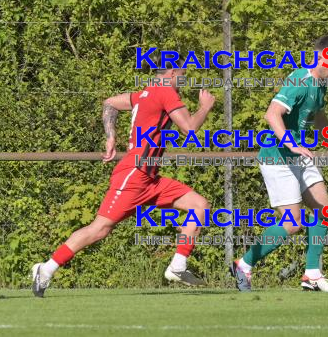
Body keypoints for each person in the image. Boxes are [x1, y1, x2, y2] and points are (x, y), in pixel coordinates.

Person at [32, 61, 215, 297]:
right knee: (99, 229)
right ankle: (46, 269)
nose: (184, 80)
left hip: (150, 178)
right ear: (171, 73)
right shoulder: (165, 90)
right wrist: (205, 107)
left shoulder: (146, 92)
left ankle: (178, 266)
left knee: (200, 205)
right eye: (182, 75)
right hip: (134, 174)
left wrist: (110, 138)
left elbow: (110, 103)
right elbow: (189, 128)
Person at [230, 36, 328, 292]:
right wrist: (292, 144)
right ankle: (244, 265)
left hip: (299, 157)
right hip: (277, 158)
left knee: (324, 211)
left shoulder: (320, 84)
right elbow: (272, 113)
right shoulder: (299, 80)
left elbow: (321, 118)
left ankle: (312, 274)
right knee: (293, 223)